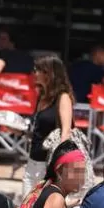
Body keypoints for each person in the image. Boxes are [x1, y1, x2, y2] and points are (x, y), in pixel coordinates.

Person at [24, 55, 74, 197]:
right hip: (32, 162)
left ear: (49, 73)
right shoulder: (42, 96)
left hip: (48, 165)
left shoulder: (62, 97)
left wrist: (58, 167)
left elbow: (66, 132)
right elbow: (37, 131)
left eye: (38, 70)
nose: (35, 73)